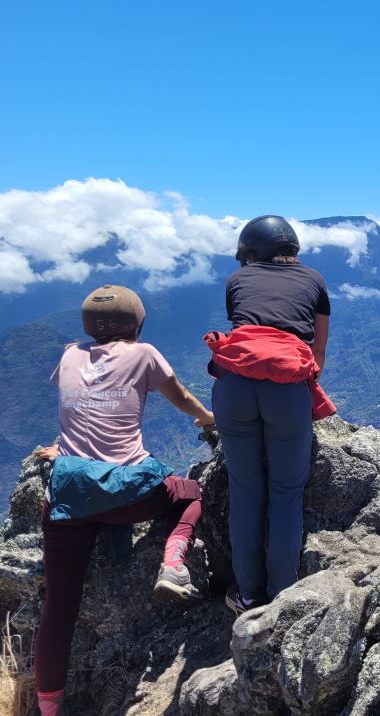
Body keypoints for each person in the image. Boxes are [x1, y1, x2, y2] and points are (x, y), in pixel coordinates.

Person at [32, 285, 214, 716]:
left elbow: (75, 407)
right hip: (131, 494)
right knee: (194, 492)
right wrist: (211, 420)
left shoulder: (69, 354)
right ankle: (173, 563)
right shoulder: (145, 353)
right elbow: (183, 399)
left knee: (58, 606)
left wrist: (63, 449)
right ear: (137, 322)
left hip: (70, 497)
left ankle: (48, 707)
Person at [207, 215, 334, 616]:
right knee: (286, 493)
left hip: (234, 386)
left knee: (246, 491)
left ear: (250, 250)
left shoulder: (236, 280)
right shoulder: (314, 280)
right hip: (286, 391)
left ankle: (247, 594)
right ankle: (281, 597)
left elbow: (246, 331)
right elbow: (317, 353)